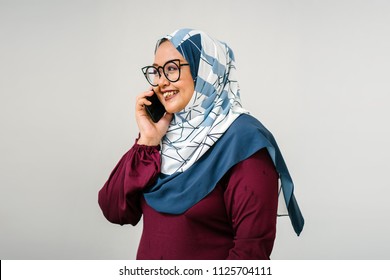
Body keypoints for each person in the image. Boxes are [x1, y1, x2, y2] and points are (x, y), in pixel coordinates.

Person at [98, 28, 304, 260]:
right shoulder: (164, 135)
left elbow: (251, 254)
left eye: (172, 69)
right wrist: (147, 141)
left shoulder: (244, 140)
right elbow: (114, 210)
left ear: (204, 69)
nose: (161, 83)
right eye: (156, 72)